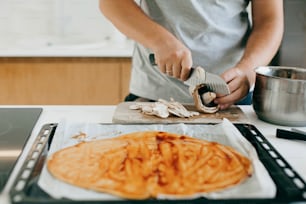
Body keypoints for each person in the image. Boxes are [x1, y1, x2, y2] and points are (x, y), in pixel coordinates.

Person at [99, 0, 283, 110]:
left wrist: (248, 69)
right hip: (153, 95)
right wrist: (160, 41)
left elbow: (269, 19)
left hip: (233, 95)